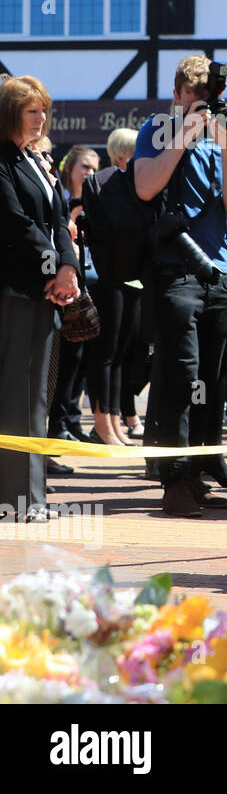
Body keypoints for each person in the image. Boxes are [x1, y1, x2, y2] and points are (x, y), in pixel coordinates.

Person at [133, 54, 227, 516]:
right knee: (179, 373)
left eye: (210, 99)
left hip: (217, 271)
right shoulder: (156, 130)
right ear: (179, 93)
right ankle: (173, 479)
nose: (203, 106)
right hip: (173, 270)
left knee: (210, 376)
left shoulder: (221, 139)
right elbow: (145, 186)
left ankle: (200, 470)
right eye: (194, 98)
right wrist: (184, 135)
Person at [0, 76, 80, 521]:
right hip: (14, 291)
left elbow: (58, 218)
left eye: (44, 111)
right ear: (12, 114)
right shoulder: (3, 161)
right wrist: (55, 265)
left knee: (35, 397)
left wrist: (67, 268)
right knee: (14, 393)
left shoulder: (34, 161)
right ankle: (12, 501)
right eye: (33, 111)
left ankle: (32, 498)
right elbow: (15, 223)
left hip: (45, 290)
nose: (42, 118)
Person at [84, 128, 144, 447]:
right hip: (109, 278)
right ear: (123, 154)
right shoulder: (104, 183)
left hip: (135, 280)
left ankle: (117, 422)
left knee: (121, 355)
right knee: (104, 353)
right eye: (138, 151)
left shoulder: (139, 183)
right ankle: (101, 424)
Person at [47, 145, 101, 443]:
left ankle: (72, 419)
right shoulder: (61, 197)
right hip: (64, 281)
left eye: (94, 168)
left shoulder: (97, 201)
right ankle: (57, 423)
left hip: (91, 280)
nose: (90, 174)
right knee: (66, 358)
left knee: (82, 355)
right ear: (70, 169)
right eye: (85, 167)